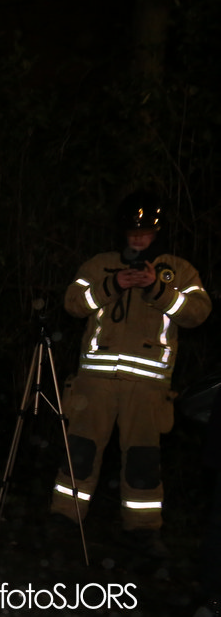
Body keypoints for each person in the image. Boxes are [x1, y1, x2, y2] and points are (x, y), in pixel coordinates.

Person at [49, 191, 211, 557]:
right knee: (80, 452)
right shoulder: (99, 265)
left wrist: (157, 288)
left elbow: (198, 313)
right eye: (132, 231)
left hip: (148, 388)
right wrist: (113, 285)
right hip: (95, 383)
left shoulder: (179, 270)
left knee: (143, 459)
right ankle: (64, 519)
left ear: (159, 231)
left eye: (146, 232)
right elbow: (73, 304)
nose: (138, 238)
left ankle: (142, 530)